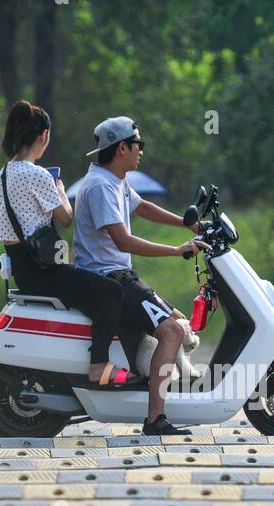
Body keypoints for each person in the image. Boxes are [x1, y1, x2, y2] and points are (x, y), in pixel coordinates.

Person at [72, 116, 209, 436]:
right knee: (173, 331)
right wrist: (176, 251)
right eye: (138, 145)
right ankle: (155, 419)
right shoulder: (101, 186)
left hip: (118, 274)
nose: (141, 152)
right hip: (111, 278)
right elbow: (124, 241)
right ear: (122, 148)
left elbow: (142, 207)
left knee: (177, 319)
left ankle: (173, 383)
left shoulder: (113, 179)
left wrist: (188, 224)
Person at [0, 100, 137, 388]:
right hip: (44, 271)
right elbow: (66, 218)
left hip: (22, 268)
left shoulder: (4, 174)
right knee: (112, 293)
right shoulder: (39, 174)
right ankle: (98, 366)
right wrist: (60, 191)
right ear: (43, 136)